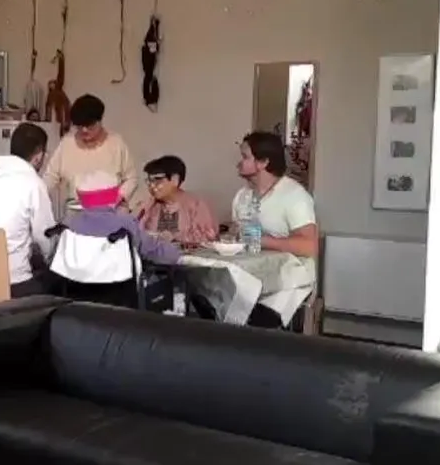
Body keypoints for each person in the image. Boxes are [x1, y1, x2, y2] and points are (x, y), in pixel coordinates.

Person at [231, 131, 318, 328]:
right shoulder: (242, 196)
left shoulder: (294, 196)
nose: (239, 163)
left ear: (263, 162)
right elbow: (237, 233)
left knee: (255, 318)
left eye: (245, 157)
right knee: (212, 297)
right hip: (251, 271)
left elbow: (309, 246)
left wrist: (260, 240)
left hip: (289, 278)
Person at [0, 123, 57, 297]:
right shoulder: (33, 184)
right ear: (38, 155)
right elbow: (45, 237)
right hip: (13, 285)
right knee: (56, 280)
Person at [60, 171, 181, 267]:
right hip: (120, 288)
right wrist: (171, 247)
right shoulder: (125, 223)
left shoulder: (68, 224)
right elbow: (163, 255)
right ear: (113, 195)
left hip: (75, 288)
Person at [42, 94, 138, 207]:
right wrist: (38, 194)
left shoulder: (116, 143)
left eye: (89, 126)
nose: (84, 130)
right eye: (79, 126)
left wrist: (121, 197)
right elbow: (50, 176)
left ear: (100, 120)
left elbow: (131, 178)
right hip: (76, 209)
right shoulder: (67, 144)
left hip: (110, 209)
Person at [136, 155, 218, 247]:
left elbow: (209, 237)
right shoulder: (149, 206)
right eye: (149, 181)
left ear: (175, 180)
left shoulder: (196, 204)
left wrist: (176, 237)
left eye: (158, 180)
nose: (152, 186)